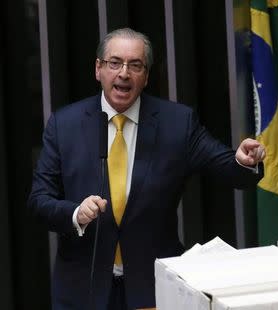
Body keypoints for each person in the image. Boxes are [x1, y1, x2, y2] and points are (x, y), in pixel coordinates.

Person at [28, 28, 265, 310]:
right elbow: (39, 202)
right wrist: (76, 214)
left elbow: (229, 168)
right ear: (98, 68)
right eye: (114, 63)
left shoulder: (177, 122)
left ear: (146, 76)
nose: (124, 73)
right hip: (83, 290)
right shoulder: (64, 124)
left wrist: (243, 161)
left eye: (135, 65)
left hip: (152, 290)